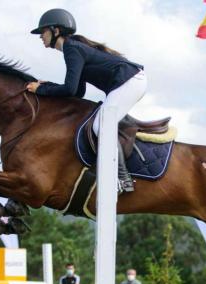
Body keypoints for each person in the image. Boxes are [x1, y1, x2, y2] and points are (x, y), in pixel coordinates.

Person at [27, 8, 147, 193]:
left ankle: (123, 179)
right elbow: (78, 91)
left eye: (43, 31)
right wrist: (48, 85)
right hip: (130, 81)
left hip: (130, 81)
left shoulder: (71, 48)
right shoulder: (72, 47)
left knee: (101, 126)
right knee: (101, 124)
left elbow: (70, 89)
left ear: (56, 30)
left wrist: (42, 89)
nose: (40, 36)